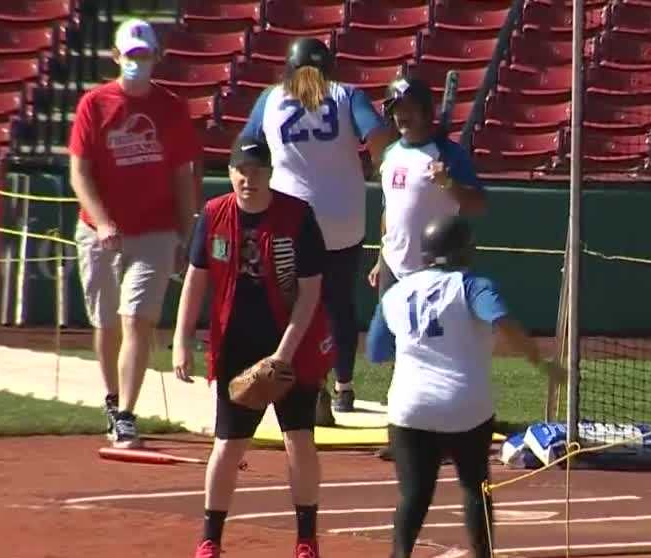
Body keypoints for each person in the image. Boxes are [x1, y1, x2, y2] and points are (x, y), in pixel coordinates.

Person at [171, 135, 335, 558]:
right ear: (230, 173)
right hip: (236, 345)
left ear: (270, 173)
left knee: (299, 438)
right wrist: (180, 339)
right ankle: (210, 539)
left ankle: (306, 539)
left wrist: (283, 354)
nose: (249, 179)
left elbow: (310, 293)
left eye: (258, 171)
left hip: (293, 345)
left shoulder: (297, 216)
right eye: (242, 171)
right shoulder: (213, 214)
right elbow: (196, 279)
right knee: (228, 444)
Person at [366, 215, 562, 558]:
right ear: (464, 251)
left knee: (414, 494)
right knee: (475, 486)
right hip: (465, 406)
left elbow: (376, 351)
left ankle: (399, 555)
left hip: (409, 408)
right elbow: (502, 321)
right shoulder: (473, 285)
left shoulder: (396, 293)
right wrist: (540, 362)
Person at [241, 37, 397, 421]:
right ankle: (344, 386)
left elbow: (247, 147)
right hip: (343, 215)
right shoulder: (346, 95)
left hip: (291, 217)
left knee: (295, 306)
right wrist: (377, 168)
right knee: (339, 304)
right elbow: (379, 140)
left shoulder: (271, 98)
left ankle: (308, 385)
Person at [69, 18, 199, 448]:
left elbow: (182, 175)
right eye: (130, 55)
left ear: (157, 57)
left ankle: (126, 413)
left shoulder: (171, 108)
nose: (137, 63)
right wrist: (103, 220)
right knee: (106, 323)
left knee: (137, 319)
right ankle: (111, 399)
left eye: (144, 55)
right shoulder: (94, 104)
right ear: (116, 56)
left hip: (155, 230)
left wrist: (186, 233)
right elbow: (80, 173)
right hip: (100, 231)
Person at [368, 76, 488, 461]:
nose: (401, 116)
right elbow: (389, 211)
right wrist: (380, 257)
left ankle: (433, 434)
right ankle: (408, 433)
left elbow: (477, 205)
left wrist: (447, 182)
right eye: (395, 110)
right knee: (382, 348)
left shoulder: (448, 156)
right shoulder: (390, 155)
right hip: (395, 266)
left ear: (425, 111)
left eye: (408, 109)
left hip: (434, 272)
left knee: (433, 353)